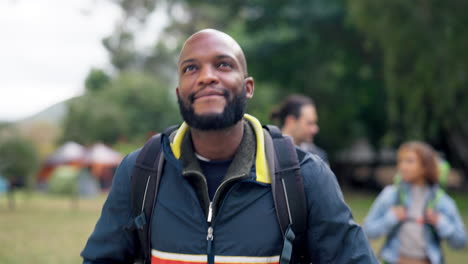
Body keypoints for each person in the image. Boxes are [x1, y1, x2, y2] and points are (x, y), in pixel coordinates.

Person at [81, 29, 377, 264]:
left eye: (223, 65)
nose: (207, 76)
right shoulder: (139, 172)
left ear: (248, 87)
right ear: (179, 92)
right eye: (190, 68)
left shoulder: (304, 176)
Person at [363, 141, 466, 264]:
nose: (402, 166)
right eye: (400, 161)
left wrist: (441, 223)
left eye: (409, 161)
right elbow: (367, 231)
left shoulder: (442, 202)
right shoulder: (390, 195)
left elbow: (461, 243)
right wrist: (390, 219)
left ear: (425, 166)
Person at [270, 94, 328, 164]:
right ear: (291, 121)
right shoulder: (267, 151)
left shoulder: (318, 157)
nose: (315, 129)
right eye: (310, 123)